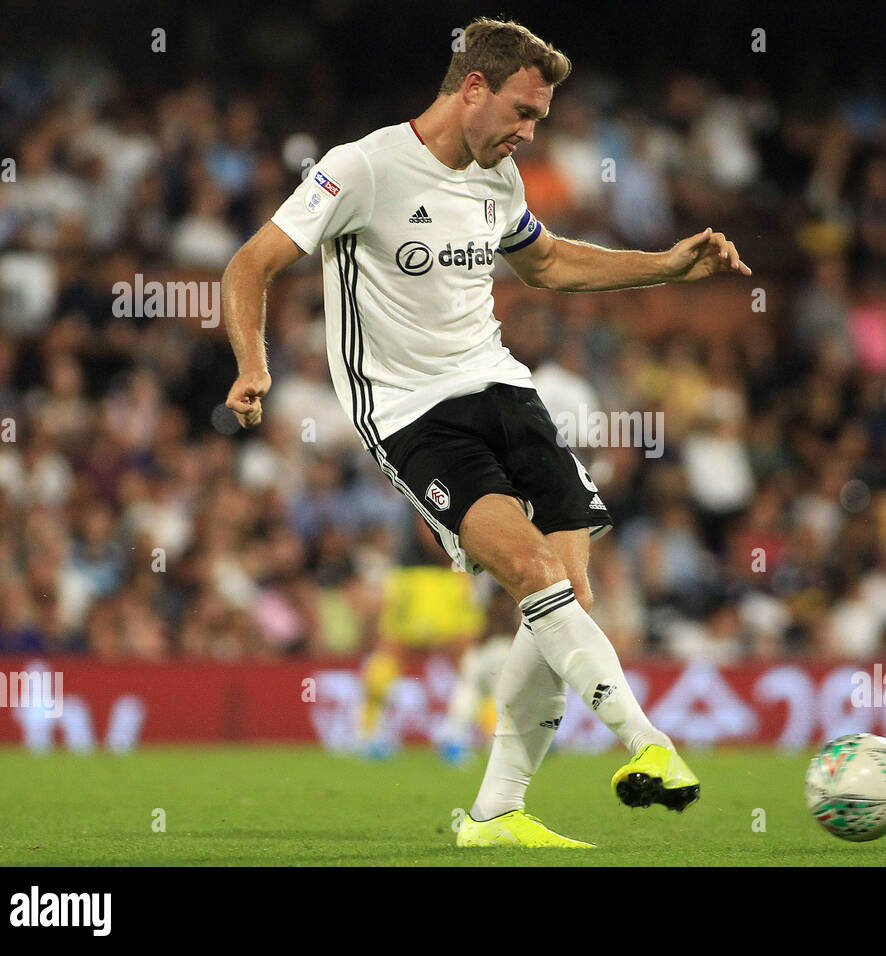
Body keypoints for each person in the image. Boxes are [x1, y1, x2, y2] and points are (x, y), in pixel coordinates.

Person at [221, 17, 750, 848]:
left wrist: (664, 263)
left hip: (503, 388)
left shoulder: (499, 176)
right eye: (523, 111)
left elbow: (549, 264)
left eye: (540, 118)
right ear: (473, 87)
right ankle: (650, 745)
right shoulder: (359, 169)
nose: (530, 132)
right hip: (411, 414)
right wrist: (253, 366)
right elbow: (250, 262)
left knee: (565, 596)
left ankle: (498, 814)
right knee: (533, 572)